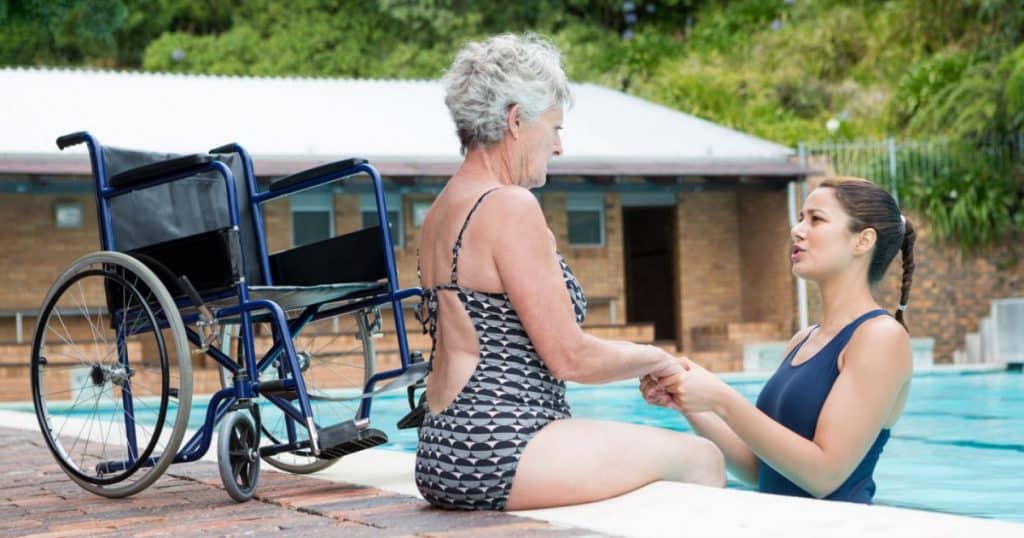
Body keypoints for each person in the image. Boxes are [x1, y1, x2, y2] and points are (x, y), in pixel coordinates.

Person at [414, 33, 725, 511]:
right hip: (500, 449)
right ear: (516, 121)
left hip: (441, 451)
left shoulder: (439, 211)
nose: (558, 146)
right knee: (703, 460)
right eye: (554, 127)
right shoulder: (509, 206)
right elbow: (569, 357)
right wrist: (656, 358)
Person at [642, 176, 916, 504]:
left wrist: (721, 399)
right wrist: (686, 397)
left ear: (862, 241)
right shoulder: (803, 340)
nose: (797, 229)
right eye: (801, 217)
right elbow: (759, 470)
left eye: (816, 219)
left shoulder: (880, 338)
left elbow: (824, 476)